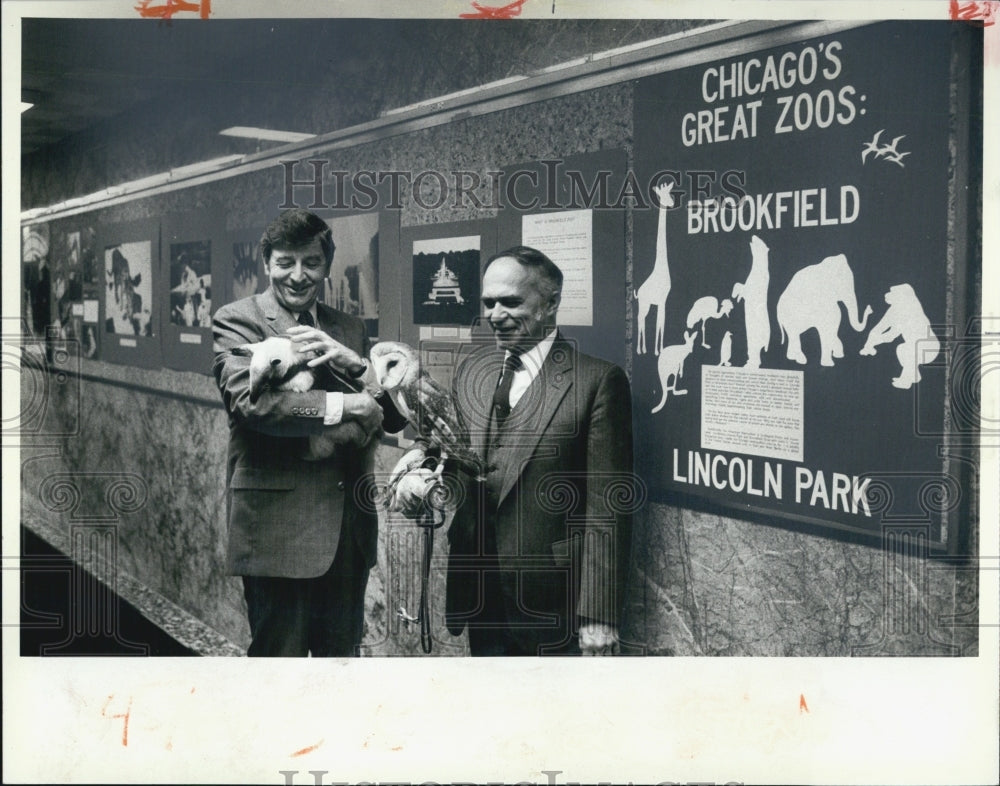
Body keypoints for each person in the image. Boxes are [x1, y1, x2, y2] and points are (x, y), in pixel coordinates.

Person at [395, 246, 634, 655]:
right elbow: (449, 452)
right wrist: (422, 476)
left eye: (511, 302)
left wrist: (598, 612)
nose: (495, 314)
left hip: (552, 599)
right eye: (488, 302)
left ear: (551, 303)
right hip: (478, 591)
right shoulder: (474, 370)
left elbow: (607, 509)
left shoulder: (597, 382)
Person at [212, 208, 405, 657]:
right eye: (285, 262)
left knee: (339, 670)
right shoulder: (238, 320)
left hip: (347, 537)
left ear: (326, 265)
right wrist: (346, 404)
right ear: (266, 263)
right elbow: (251, 404)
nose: (298, 276)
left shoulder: (349, 328)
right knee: (281, 671)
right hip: (280, 533)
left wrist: (355, 365)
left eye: (311, 263)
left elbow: (393, 420)